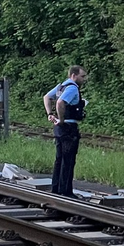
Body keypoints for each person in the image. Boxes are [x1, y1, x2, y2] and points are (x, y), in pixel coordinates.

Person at [43, 65, 87, 197]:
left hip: (59, 129)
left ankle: (56, 189)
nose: (84, 79)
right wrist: (61, 119)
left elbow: (46, 97)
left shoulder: (60, 87)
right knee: (68, 160)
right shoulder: (72, 88)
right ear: (74, 75)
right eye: (82, 76)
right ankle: (66, 192)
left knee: (59, 159)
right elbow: (60, 102)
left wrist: (50, 113)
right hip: (68, 127)